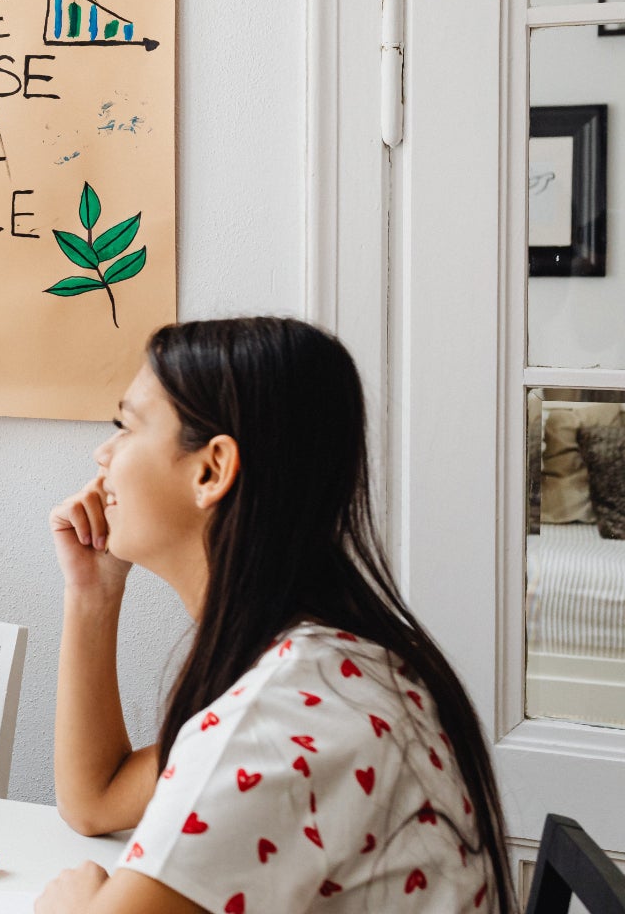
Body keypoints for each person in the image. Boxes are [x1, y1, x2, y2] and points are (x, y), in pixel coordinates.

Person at [37, 317, 512, 914]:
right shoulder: (330, 660)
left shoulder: (286, 709)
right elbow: (96, 799)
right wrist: (93, 592)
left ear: (211, 471)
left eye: (124, 427)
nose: (102, 454)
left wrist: (73, 904)